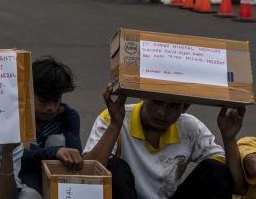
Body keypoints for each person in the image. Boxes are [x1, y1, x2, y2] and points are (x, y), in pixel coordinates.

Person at [83, 83, 247, 199]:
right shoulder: (114, 117)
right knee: (115, 167)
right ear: (143, 98)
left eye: (173, 106)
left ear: (185, 107)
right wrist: (115, 125)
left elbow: (238, 187)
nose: (162, 112)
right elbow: (86, 178)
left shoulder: (191, 128)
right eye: (157, 102)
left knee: (216, 170)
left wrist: (229, 138)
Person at [19, 57, 82, 194]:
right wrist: (53, 152)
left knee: (58, 141)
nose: (51, 108)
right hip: (22, 177)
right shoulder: (18, 116)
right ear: (28, 94)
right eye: (43, 101)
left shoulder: (67, 116)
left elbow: (74, 155)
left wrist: (59, 151)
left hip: (54, 175)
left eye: (56, 100)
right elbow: (17, 159)